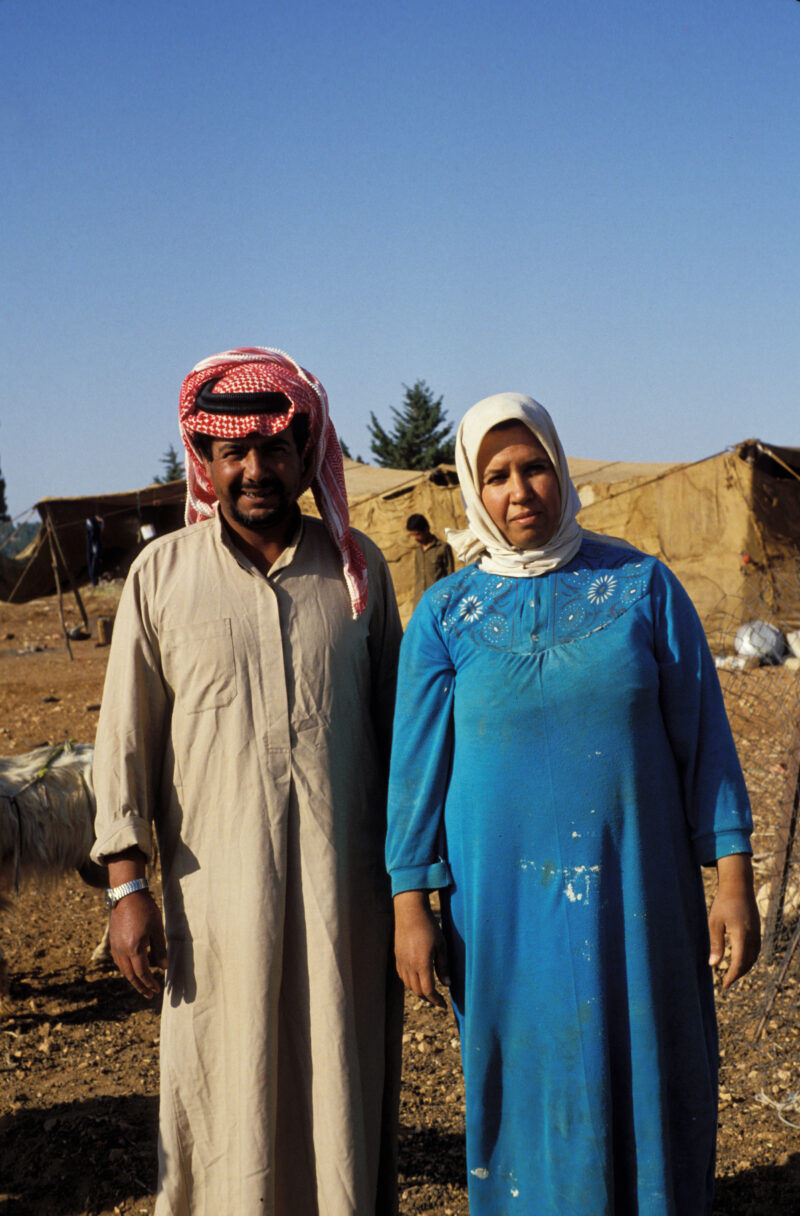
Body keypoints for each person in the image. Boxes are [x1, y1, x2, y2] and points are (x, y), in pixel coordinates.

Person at [386, 392, 760, 1215]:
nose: (519, 491)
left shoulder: (642, 587)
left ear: (561, 471)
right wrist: (411, 900)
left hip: (639, 899)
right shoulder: (446, 618)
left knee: (651, 1064)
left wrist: (732, 879)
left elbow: (706, 744)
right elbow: (414, 772)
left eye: (534, 468)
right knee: (525, 1076)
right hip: (503, 910)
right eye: (496, 476)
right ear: (471, 492)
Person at [91, 347, 403, 1216]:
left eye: (275, 449)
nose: (256, 470)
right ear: (208, 462)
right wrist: (126, 887)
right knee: (225, 1088)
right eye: (235, 453)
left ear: (307, 456)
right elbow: (124, 745)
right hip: (217, 904)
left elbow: (402, 743)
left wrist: (416, 890)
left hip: (346, 899)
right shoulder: (162, 578)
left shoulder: (359, 574)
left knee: (341, 1083)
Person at [406, 512, 454, 605]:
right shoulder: (418, 551)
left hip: (438, 601)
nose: (415, 538)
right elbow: (418, 577)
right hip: (421, 602)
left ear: (426, 529)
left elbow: (450, 576)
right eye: (413, 535)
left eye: (417, 534)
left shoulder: (443, 548)